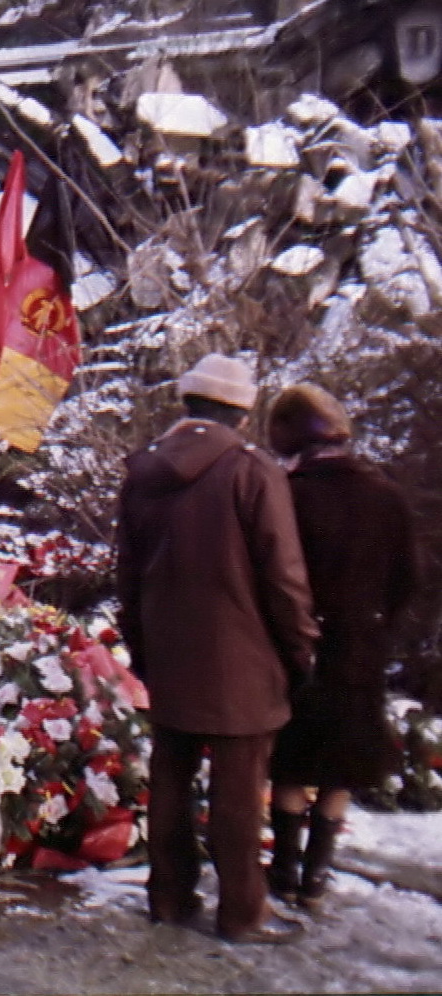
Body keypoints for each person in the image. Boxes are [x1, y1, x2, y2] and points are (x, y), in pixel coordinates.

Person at [116, 353, 319, 944]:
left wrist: (142, 648)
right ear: (242, 410)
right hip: (243, 656)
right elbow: (284, 575)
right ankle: (242, 913)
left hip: (168, 649)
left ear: (188, 403)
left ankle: (170, 899)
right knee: (237, 790)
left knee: (171, 779)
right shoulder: (252, 471)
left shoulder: (142, 470)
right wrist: (301, 648)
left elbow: (126, 574)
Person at [263, 384, 418, 912]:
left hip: (293, 647)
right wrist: (377, 626)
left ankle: (282, 871)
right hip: (359, 648)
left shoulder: (283, 493)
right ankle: (315, 879)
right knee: (340, 769)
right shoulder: (387, 496)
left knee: (289, 764)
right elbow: (408, 580)